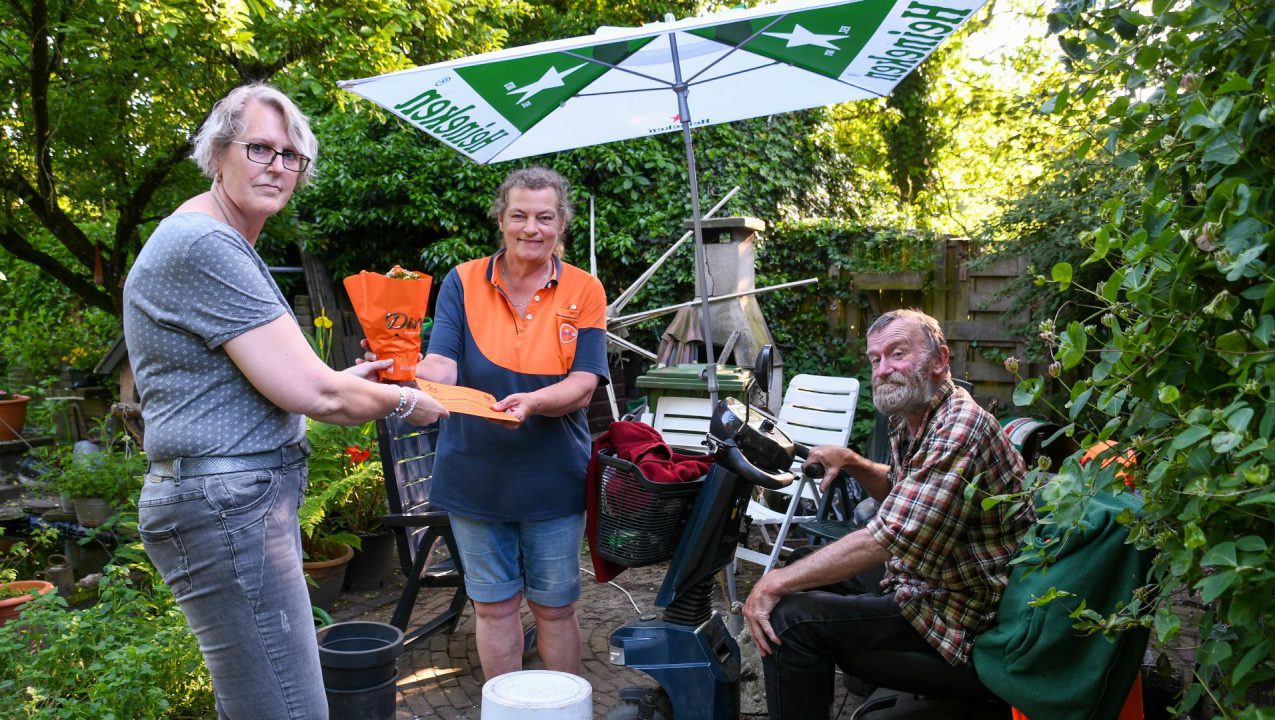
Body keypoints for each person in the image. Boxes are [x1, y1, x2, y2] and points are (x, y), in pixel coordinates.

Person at [122, 83, 447, 719]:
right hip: (229, 509)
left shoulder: (219, 240)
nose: (277, 166)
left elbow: (292, 379)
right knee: (289, 709)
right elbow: (317, 394)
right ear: (217, 153)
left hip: (231, 505)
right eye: (260, 148)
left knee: (259, 702)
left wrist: (362, 381)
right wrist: (414, 404)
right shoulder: (204, 244)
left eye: (290, 155)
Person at [742, 308, 1036, 720]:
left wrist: (773, 582)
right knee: (800, 565)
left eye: (898, 353)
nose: (883, 369)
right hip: (927, 577)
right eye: (875, 359)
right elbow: (903, 491)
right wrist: (854, 462)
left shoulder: (960, 427)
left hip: (959, 609)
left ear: (939, 360)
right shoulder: (912, 418)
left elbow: (889, 535)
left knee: (791, 619)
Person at [414, 166, 609, 679]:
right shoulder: (461, 280)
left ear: (561, 223)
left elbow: (584, 383)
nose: (531, 228)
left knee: (555, 607)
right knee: (494, 606)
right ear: (501, 219)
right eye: (519, 215)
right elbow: (442, 365)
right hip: (474, 474)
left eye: (544, 217)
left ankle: (565, 713)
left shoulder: (585, 290)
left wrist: (534, 402)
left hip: (553, 478)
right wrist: (410, 372)